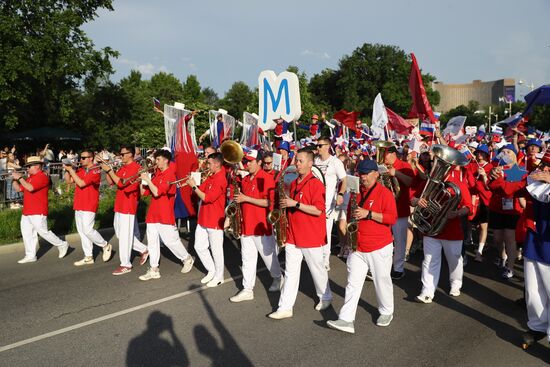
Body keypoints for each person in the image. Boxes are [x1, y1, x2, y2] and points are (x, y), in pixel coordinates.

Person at [327, 160, 397, 333]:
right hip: (358, 245)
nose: (363, 177)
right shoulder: (355, 193)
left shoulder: (385, 193)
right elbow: (351, 215)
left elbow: (392, 218)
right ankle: (346, 319)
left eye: (366, 173)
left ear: (376, 174)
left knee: (382, 281)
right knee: (352, 283)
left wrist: (369, 214)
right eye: (361, 173)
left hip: (379, 245)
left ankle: (386, 311)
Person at [269, 149, 332, 320]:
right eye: (296, 160)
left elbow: (318, 210)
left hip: (311, 235)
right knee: (290, 272)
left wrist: (294, 203)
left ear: (310, 163)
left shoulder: (315, 184)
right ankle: (285, 307)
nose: (297, 163)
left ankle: (325, 297)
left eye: (300, 161)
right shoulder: (295, 181)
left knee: (317, 270)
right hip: (293, 234)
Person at [413, 160, 472, 303]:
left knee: (454, 259)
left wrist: (457, 213)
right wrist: (418, 201)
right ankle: (427, 291)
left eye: (440, 165)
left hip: (451, 229)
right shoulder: (429, 182)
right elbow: (413, 198)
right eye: (435, 164)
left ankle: (456, 284)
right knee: (429, 260)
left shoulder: (458, 183)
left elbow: (468, 206)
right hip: (431, 228)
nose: (437, 167)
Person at [229, 149, 282, 302]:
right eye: (246, 161)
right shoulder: (245, 180)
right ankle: (247, 289)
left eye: (251, 161)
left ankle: (278, 278)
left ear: (259, 162)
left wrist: (246, 198)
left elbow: (270, 202)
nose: (247, 164)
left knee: (269, 258)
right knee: (247, 259)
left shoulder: (266, 178)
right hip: (246, 225)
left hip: (261, 226)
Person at [138, 149, 195, 281]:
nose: (155, 162)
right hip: (153, 214)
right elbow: (144, 193)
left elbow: (157, 192)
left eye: (158, 159)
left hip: (164, 214)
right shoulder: (157, 174)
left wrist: (148, 180)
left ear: (165, 160)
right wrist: (143, 181)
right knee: (152, 242)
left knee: (171, 241)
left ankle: (187, 258)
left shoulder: (170, 175)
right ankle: (154, 269)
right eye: (155, 159)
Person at [102, 145, 149, 275]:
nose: (120, 156)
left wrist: (110, 171)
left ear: (130, 154)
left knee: (124, 236)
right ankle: (144, 249)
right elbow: (112, 182)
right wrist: (107, 170)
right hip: (120, 205)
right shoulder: (123, 167)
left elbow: (123, 184)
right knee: (120, 234)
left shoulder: (137, 169)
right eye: (120, 154)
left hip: (128, 205)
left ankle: (126, 264)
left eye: (123, 154)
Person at [12, 156, 69, 263]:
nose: (27, 168)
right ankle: (30, 255)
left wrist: (19, 178)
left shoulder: (42, 176)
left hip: (38, 210)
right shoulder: (30, 177)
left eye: (29, 166)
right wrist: (13, 180)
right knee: (27, 234)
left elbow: (30, 188)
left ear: (37, 166)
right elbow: (19, 189)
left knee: (43, 232)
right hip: (27, 211)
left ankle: (62, 244)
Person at [186, 152, 228, 287]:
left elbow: (207, 198)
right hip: (204, 217)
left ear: (217, 164)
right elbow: (199, 192)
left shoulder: (221, 178)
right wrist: (195, 181)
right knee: (199, 246)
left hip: (215, 219)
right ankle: (212, 270)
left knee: (216, 250)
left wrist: (193, 186)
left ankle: (219, 276)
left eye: (209, 163)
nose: (207, 166)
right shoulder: (211, 176)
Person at [64, 150, 113, 266]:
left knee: (87, 229)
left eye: (83, 158)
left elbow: (81, 183)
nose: (81, 160)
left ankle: (105, 245)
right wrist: (66, 170)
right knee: (82, 232)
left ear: (91, 158)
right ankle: (88, 256)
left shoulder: (95, 170)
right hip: (79, 204)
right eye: (80, 157)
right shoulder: (81, 170)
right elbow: (69, 181)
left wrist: (71, 170)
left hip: (89, 204)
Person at [521, 151, 550, 347]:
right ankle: (537, 326)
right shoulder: (534, 181)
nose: (545, 170)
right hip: (534, 239)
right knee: (533, 289)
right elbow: (507, 189)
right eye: (544, 165)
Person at [314, 136, 347, 271]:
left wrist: (340, 194)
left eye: (320, 145)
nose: (317, 148)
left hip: (327, 204)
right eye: (317, 145)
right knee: (315, 232)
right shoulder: (315, 160)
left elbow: (344, 180)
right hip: (314, 203)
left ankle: (325, 260)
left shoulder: (335, 162)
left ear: (327, 146)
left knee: (325, 232)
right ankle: (316, 258)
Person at [383, 144, 414, 280]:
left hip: (399, 208)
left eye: (385, 155)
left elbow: (410, 182)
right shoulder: (381, 166)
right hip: (384, 209)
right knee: (384, 240)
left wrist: (396, 173)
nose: (383, 158)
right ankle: (383, 267)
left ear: (393, 154)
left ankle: (398, 268)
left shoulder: (404, 165)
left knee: (400, 241)